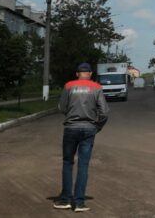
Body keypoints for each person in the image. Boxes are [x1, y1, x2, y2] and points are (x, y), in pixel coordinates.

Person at [54, 62, 109, 213]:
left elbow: (61, 107)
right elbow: (104, 112)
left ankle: (65, 199)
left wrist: (71, 115)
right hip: (89, 129)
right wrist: (97, 126)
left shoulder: (69, 85)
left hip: (71, 128)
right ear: (90, 73)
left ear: (77, 73)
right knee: (83, 165)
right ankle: (79, 203)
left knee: (67, 162)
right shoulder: (97, 88)